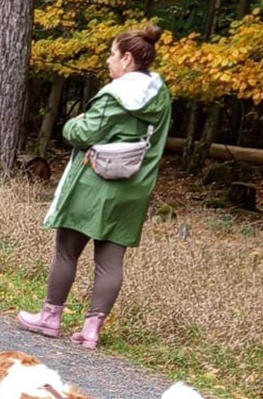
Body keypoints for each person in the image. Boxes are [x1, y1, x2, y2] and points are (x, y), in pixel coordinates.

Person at [17, 24, 171, 349]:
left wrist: (73, 122)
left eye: (112, 54)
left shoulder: (114, 96)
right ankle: (91, 330)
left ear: (127, 59)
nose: (107, 60)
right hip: (132, 188)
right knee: (111, 260)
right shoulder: (161, 97)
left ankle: (50, 317)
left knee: (67, 250)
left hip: (93, 182)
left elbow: (82, 134)